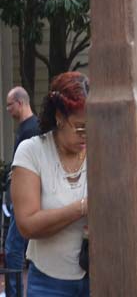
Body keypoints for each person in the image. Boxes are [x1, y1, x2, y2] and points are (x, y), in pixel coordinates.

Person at [11, 72, 89, 296]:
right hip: (48, 283)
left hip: (97, 276)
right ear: (59, 117)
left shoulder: (99, 150)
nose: (86, 134)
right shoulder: (32, 152)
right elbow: (27, 224)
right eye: (80, 126)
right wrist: (82, 207)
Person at [5, 87, 40, 297]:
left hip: (23, 200)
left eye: (9, 105)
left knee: (13, 249)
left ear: (20, 103)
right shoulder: (26, 128)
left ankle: (14, 293)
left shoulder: (31, 130)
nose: (8, 110)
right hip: (21, 198)